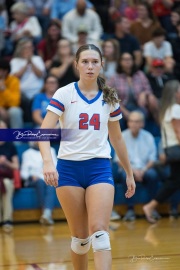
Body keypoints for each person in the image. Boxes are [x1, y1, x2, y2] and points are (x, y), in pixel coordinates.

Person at [38, 44, 136, 270]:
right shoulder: (64, 93)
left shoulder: (109, 97)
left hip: (99, 168)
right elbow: (43, 132)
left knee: (100, 232)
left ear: (102, 64)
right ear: (76, 65)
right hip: (68, 170)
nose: (90, 66)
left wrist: (129, 173)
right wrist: (47, 163)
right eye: (85, 62)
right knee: (80, 239)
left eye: (94, 62)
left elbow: (118, 140)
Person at [143, 80, 180, 223]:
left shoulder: (167, 109)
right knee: (174, 181)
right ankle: (150, 206)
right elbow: (178, 132)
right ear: (175, 92)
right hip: (177, 149)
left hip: (171, 150)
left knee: (175, 181)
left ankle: (150, 206)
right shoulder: (176, 108)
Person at [114, 111, 160, 221]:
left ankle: (151, 208)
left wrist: (143, 170)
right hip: (128, 169)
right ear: (128, 123)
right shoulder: (122, 136)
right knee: (123, 176)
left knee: (153, 175)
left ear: (142, 123)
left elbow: (153, 158)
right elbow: (118, 159)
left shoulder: (148, 136)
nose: (134, 124)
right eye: (131, 121)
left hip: (145, 169)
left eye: (137, 121)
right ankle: (130, 210)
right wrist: (132, 171)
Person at [20, 142, 57, 225]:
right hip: (33, 180)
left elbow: (56, 166)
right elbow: (23, 173)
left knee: (50, 184)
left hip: (48, 178)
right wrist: (31, 176)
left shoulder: (52, 150)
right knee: (40, 182)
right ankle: (47, 213)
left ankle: (46, 214)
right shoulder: (27, 153)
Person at [0, 120, 19, 233]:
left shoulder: (10, 145)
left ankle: (7, 220)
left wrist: (5, 162)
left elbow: (16, 166)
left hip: (6, 177)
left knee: (6, 184)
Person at [0, 58, 23, 129]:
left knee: (15, 111)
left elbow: (15, 103)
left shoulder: (14, 81)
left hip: (10, 108)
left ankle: (16, 139)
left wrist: (4, 89)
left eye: (2, 70)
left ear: (6, 71)